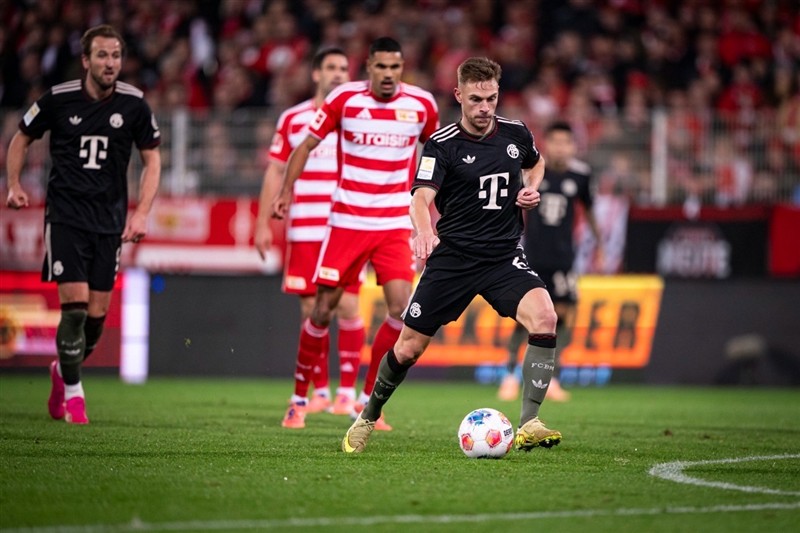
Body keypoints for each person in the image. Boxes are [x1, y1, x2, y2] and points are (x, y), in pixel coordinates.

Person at [342, 56, 561, 454]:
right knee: (408, 348)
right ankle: (367, 416)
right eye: (476, 99)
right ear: (459, 95)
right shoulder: (442, 144)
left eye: (491, 99)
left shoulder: (516, 133)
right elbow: (420, 197)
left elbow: (536, 162)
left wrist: (531, 187)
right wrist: (424, 231)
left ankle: (529, 422)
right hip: (454, 259)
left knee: (545, 317)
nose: (485, 108)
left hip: (502, 257)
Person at [272, 37, 439, 430]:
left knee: (400, 309)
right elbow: (305, 146)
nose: (388, 74)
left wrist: (437, 209)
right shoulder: (344, 100)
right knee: (322, 310)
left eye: (395, 67)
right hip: (346, 222)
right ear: (369, 67)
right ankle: (298, 400)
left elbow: (438, 154)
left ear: (402, 68)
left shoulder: (421, 104)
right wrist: (285, 191)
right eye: (381, 66)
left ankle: (367, 402)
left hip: (394, 223)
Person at [4, 24, 161, 424]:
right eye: (103, 55)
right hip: (66, 217)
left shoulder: (135, 105)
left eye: (116, 56)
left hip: (109, 222)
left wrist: (142, 211)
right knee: (73, 311)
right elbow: (21, 137)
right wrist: (14, 184)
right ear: (86, 60)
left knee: (95, 321)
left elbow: (152, 158)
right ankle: (75, 395)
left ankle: (62, 371)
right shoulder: (58, 99)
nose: (111, 63)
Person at [254, 47, 367, 427]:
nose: (338, 73)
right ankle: (319, 392)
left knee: (348, 307)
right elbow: (275, 170)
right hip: (304, 226)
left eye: (343, 68)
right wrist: (262, 223)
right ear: (316, 74)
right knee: (310, 310)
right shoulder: (293, 118)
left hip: (346, 226)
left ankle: (346, 393)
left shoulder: (357, 115)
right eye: (331, 67)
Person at [498, 121, 602, 402]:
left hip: (564, 258)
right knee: (525, 316)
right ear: (546, 144)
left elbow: (589, 210)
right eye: (555, 142)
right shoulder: (532, 171)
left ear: (573, 146)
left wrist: (600, 244)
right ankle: (509, 375)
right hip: (531, 256)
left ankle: (553, 378)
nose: (560, 148)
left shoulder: (581, 175)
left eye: (565, 142)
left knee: (564, 315)